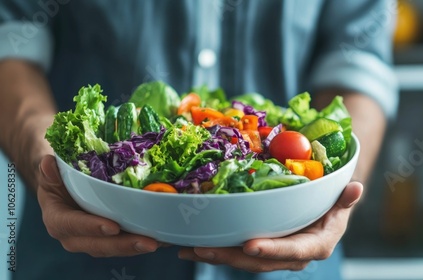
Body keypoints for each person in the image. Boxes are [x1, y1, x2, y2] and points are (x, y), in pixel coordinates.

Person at [0, 1, 398, 279]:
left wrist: (328, 194)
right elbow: (10, 44)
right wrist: (48, 168)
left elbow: (358, 71)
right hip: (82, 255)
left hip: (292, 260)